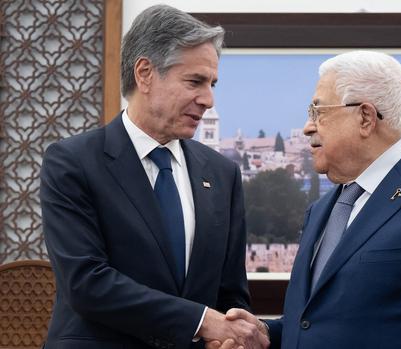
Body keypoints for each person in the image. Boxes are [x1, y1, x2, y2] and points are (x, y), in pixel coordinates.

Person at [211, 50, 401, 348]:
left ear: (365, 117)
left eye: (318, 112)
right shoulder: (323, 209)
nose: (308, 126)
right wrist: (265, 335)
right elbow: (316, 323)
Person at [40, 5, 269, 349]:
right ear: (145, 73)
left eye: (212, 83)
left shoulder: (222, 174)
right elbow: (85, 283)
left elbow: (231, 292)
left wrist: (232, 336)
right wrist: (201, 321)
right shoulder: (72, 162)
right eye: (195, 81)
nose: (208, 99)